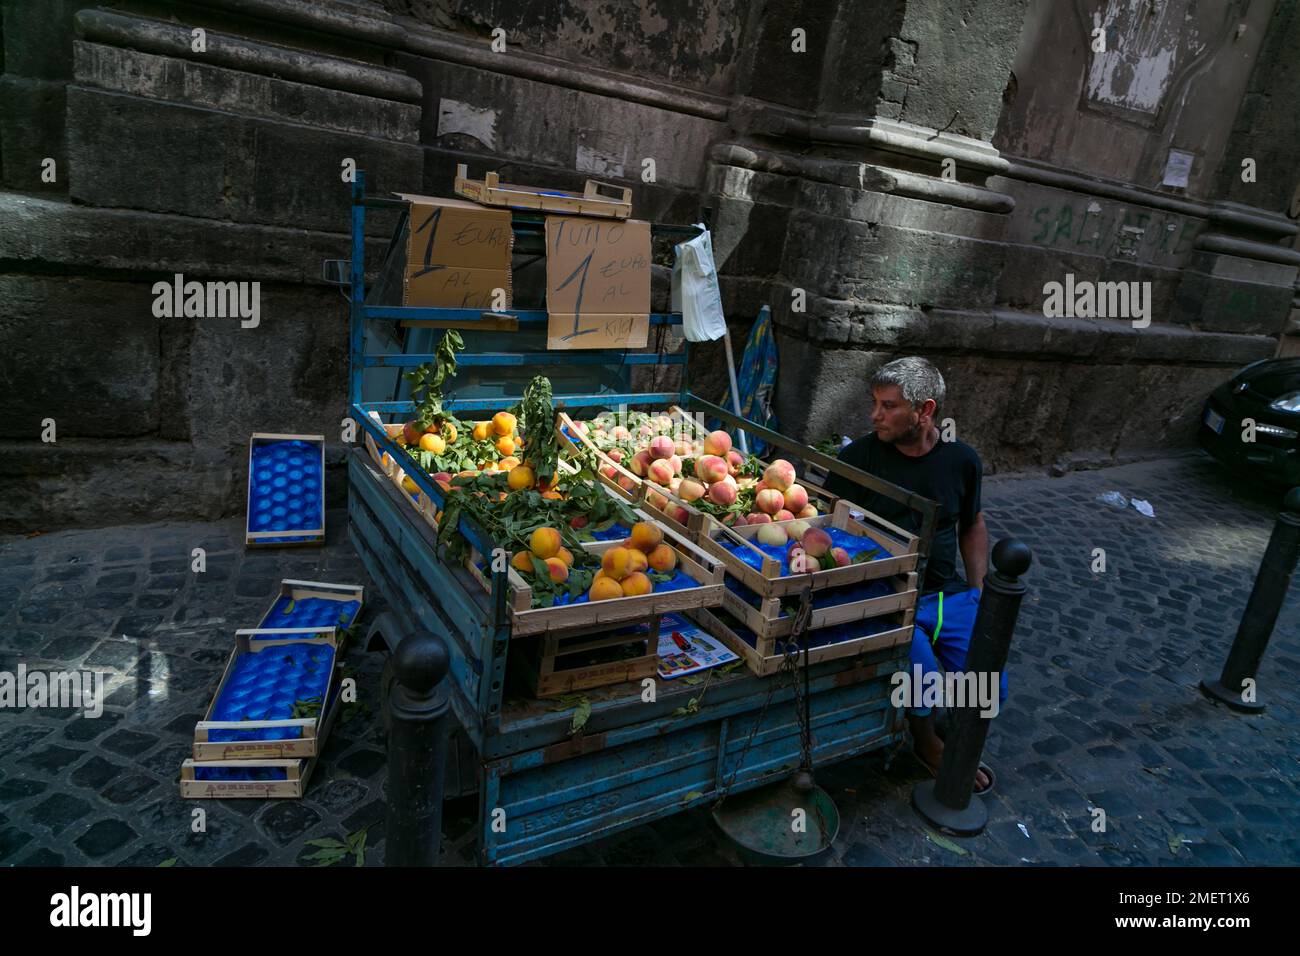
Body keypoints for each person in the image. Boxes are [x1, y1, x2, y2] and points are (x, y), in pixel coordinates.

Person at [822, 356, 1004, 793]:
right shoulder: (858, 457)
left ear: (924, 411)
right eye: (874, 403)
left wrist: (979, 588)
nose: (874, 415)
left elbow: (972, 523)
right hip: (887, 593)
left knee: (987, 676)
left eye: (888, 406)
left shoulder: (961, 460)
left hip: (946, 593)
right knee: (921, 673)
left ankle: (959, 732)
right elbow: (827, 524)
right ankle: (925, 742)